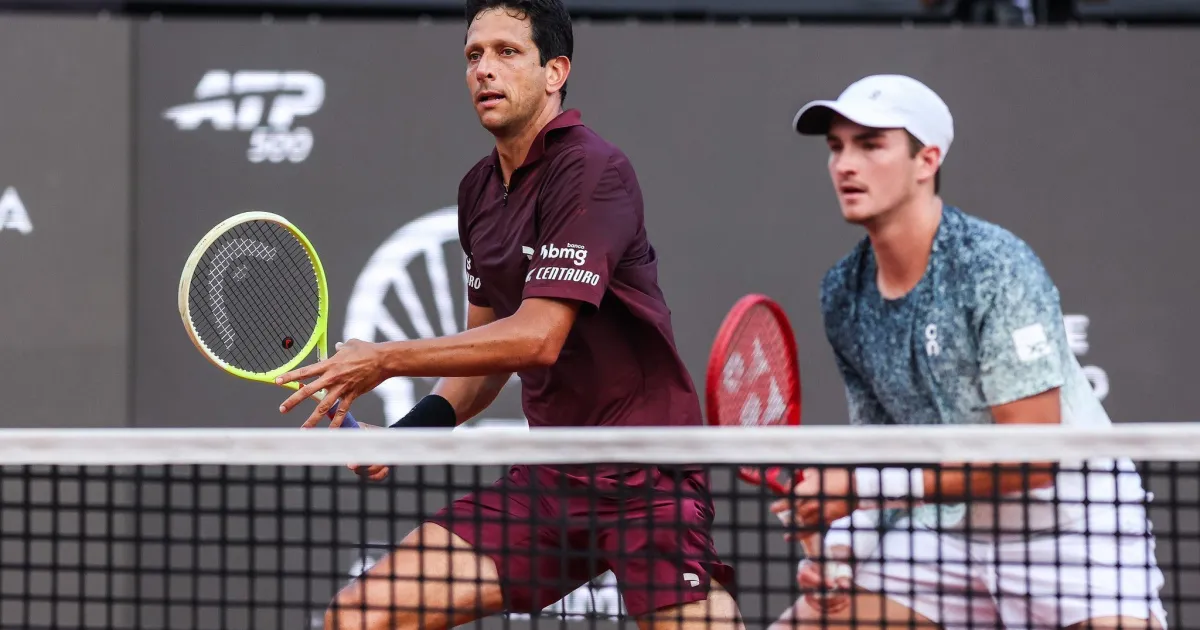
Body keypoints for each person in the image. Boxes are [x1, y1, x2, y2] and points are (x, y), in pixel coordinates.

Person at [275, 2, 743, 630]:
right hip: (550, 482)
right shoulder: (477, 191)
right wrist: (407, 435)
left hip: (645, 479)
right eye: (474, 56)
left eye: (507, 52)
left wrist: (385, 359)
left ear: (555, 71)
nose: (484, 71)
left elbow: (537, 338)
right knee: (360, 615)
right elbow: (482, 361)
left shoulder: (594, 170)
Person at [769, 74, 1167, 630]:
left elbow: (1032, 457)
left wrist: (859, 490)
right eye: (836, 147)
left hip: (1074, 537)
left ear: (926, 160)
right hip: (946, 540)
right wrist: (843, 548)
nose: (844, 165)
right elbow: (882, 446)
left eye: (871, 144)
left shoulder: (993, 266)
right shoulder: (843, 291)